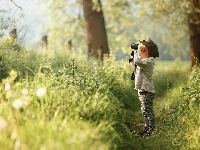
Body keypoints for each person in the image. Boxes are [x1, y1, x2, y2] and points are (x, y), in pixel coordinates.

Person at [130, 38, 159, 136]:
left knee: (147, 110)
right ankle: (147, 129)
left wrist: (137, 51)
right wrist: (134, 55)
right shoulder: (143, 60)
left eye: (140, 49)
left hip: (147, 90)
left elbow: (138, 61)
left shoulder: (149, 61)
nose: (138, 51)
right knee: (145, 110)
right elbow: (135, 63)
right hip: (142, 89)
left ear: (146, 51)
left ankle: (150, 129)